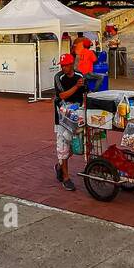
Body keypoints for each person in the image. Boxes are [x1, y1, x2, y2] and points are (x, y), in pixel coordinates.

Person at [52, 53, 86, 190]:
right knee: (63, 145)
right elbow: (62, 95)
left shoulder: (80, 75)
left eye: (66, 65)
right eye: (62, 66)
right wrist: (76, 87)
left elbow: (85, 93)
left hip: (77, 114)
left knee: (76, 144)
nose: (64, 68)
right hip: (62, 116)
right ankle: (66, 178)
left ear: (72, 64)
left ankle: (59, 166)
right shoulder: (58, 77)